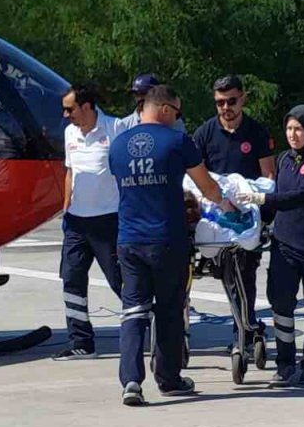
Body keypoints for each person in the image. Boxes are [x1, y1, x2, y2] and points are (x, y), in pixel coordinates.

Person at [109, 85, 232, 406]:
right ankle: (168, 378)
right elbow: (205, 185)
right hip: (166, 239)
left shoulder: (119, 144)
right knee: (168, 310)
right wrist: (229, 206)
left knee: (133, 310)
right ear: (164, 109)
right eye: (177, 112)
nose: (178, 119)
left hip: (129, 239)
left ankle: (131, 382)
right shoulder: (178, 142)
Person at [237, 105, 304, 387]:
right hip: (284, 246)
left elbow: (299, 196)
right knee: (281, 304)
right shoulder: (283, 160)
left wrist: (260, 199)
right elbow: (278, 201)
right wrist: (250, 222)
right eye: (289, 129)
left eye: (299, 129)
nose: (293, 135)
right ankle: (284, 363)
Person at [192, 74, 276, 359]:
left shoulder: (256, 133)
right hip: (214, 211)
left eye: (231, 101)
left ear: (243, 98)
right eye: (219, 103)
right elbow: (196, 176)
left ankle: (244, 331)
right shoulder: (204, 134)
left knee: (243, 273)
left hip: (244, 208)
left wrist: (256, 209)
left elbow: (267, 177)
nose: (225, 107)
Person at [53, 83, 124, 360]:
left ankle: (150, 322)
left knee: (119, 280)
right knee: (71, 279)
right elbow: (71, 171)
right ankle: (81, 342)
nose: (65, 115)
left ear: (87, 107)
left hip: (109, 221)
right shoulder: (70, 132)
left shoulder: (115, 128)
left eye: (69, 109)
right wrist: (66, 207)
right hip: (76, 223)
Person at [118, 74, 186, 134]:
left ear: (156, 94)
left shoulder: (175, 123)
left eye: (143, 93)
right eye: (135, 94)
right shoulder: (124, 124)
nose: (139, 98)